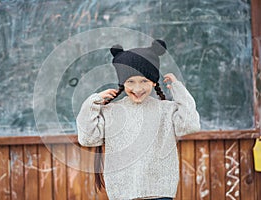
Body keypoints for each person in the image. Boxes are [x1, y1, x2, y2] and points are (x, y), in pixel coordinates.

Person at [76, 39, 200, 200]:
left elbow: (190, 125)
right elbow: (87, 139)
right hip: (122, 194)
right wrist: (93, 102)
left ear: (154, 82)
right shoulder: (111, 112)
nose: (137, 88)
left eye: (144, 81)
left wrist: (179, 90)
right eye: (130, 81)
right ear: (122, 83)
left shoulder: (166, 110)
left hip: (160, 193)